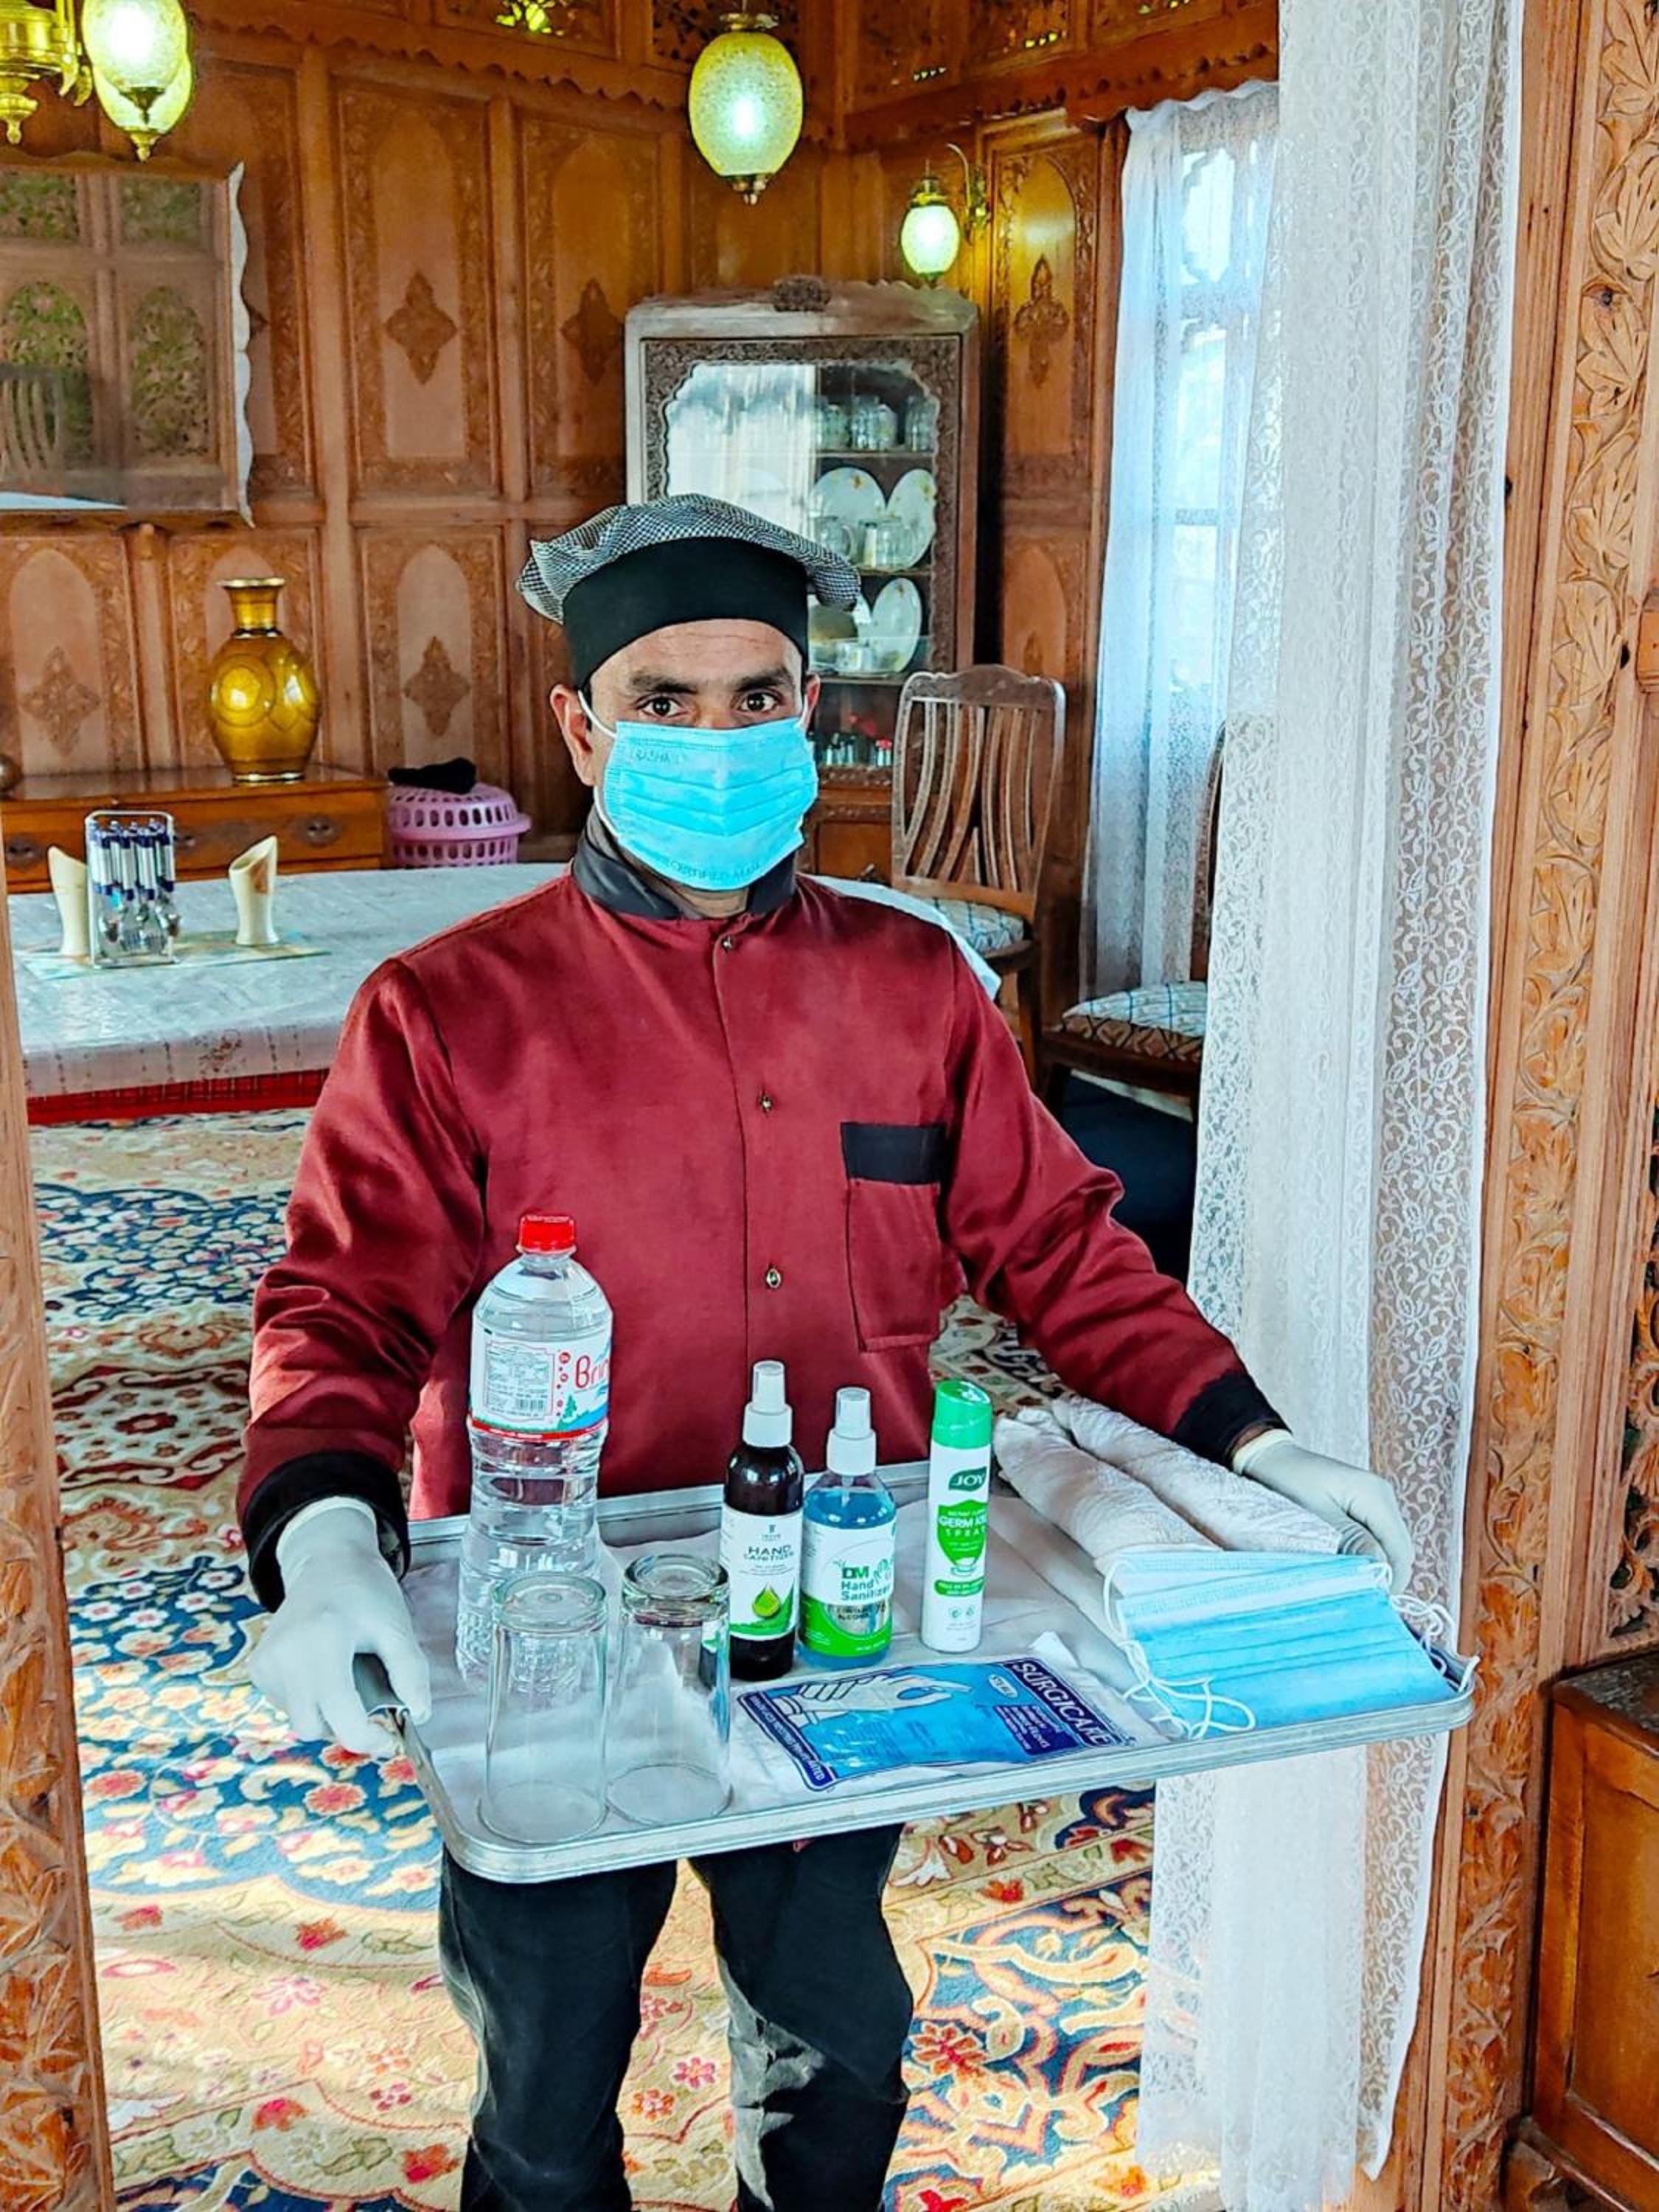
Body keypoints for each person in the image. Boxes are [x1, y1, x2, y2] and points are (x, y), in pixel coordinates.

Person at [242, 493, 1413, 2212]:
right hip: (554, 1622)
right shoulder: (449, 1013)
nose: (717, 740)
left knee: (841, 2052)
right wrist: (323, 1531)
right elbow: (342, 1305)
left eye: (758, 697)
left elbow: (1063, 1249)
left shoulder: (916, 987)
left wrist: (1255, 1441)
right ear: (580, 726)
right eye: (663, 701)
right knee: (551, 2080)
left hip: (832, 1609)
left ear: (812, 711)